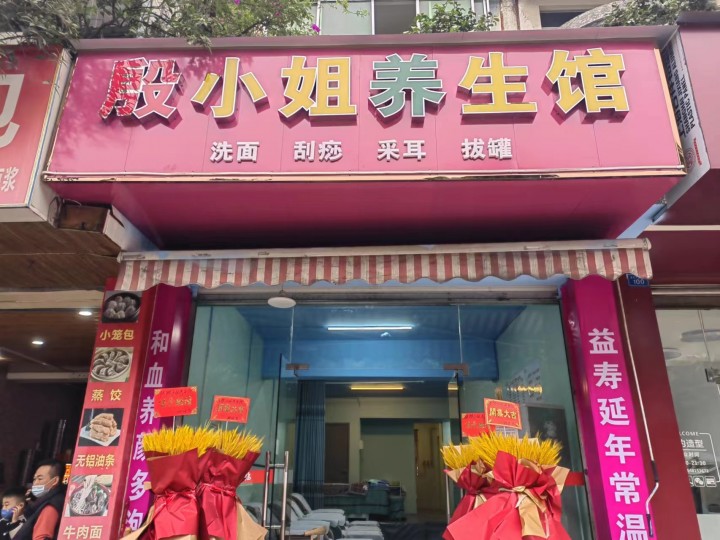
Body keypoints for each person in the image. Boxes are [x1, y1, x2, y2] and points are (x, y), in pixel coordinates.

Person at [14, 460, 66, 540]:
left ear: (55, 481)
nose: (35, 483)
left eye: (40, 479)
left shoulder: (51, 505)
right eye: (34, 479)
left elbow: (41, 537)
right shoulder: (42, 503)